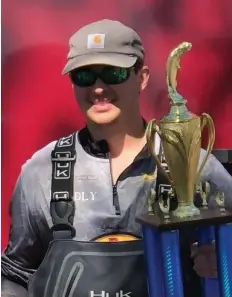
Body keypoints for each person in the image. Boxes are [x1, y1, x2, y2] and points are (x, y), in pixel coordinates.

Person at [1, 19, 232, 297]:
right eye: (84, 76)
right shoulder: (41, 171)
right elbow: (15, 274)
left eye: (113, 73)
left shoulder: (193, 165)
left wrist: (225, 262)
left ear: (142, 77)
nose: (98, 88)